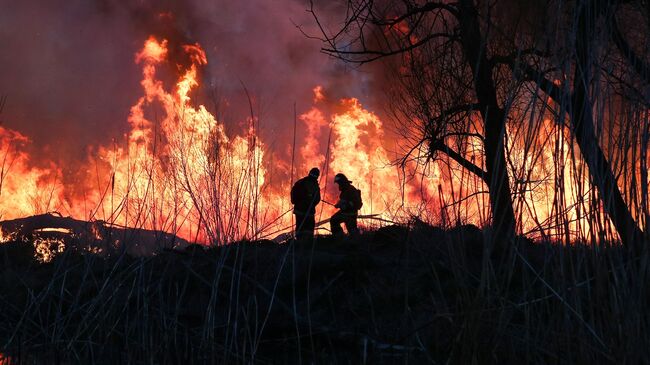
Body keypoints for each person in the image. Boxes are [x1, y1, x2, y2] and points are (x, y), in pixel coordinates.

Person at [290, 167, 321, 240]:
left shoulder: (301, 182)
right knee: (308, 227)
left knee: (301, 227)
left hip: (301, 210)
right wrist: (311, 204)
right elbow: (317, 198)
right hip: (306, 211)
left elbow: (293, 196)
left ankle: (300, 242)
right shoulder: (313, 185)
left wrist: (296, 202)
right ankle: (306, 243)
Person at [330, 173, 362, 237]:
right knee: (334, 220)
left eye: (339, 183)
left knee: (352, 231)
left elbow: (353, 203)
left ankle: (341, 238)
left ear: (342, 182)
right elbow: (343, 200)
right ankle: (340, 238)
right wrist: (339, 204)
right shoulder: (346, 189)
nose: (338, 185)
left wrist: (343, 205)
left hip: (350, 214)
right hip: (345, 213)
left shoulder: (349, 189)